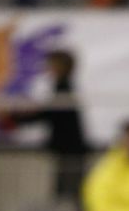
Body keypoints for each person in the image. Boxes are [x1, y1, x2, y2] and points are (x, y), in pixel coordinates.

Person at [10, 49, 88, 199]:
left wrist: (13, 117)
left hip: (71, 154)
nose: (47, 68)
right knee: (65, 193)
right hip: (67, 153)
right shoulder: (61, 88)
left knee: (68, 195)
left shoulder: (64, 89)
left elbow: (47, 114)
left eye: (51, 64)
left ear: (60, 67)